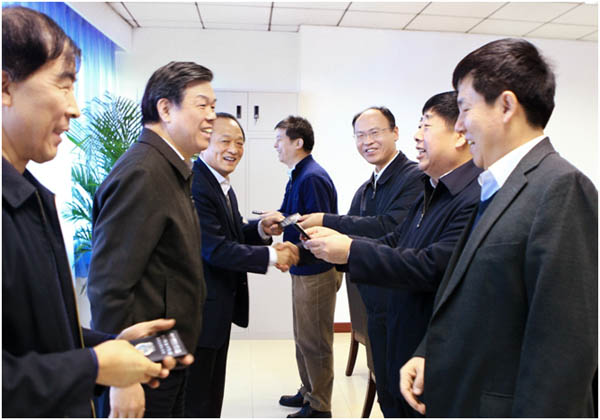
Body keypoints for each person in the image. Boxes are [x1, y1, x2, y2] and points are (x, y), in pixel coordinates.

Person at [2, 6, 192, 417]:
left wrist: (109, 344)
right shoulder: (141, 172)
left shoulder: (29, 196)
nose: (75, 108)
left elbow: (36, 335)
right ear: (5, 87)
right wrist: (93, 366)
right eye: (63, 85)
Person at [400, 38, 598, 417]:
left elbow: (564, 348)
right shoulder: (494, 185)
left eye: (464, 108)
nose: (460, 126)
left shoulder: (561, 188)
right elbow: (474, 296)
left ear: (506, 106)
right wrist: (428, 352)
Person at [303, 91, 481, 417]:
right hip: (393, 319)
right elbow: (396, 238)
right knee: (390, 399)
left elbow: (432, 265)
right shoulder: (431, 188)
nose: (417, 136)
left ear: (460, 134)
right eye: (360, 135)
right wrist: (341, 242)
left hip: (426, 337)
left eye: (426, 126)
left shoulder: (471, 195)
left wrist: (350, 249)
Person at [87, 61, 214, 417]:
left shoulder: (169, 168)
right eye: (202, 105)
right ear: (165, 109)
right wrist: (122, 376)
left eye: (213, 106)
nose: (211, 117)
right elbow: (109, 286)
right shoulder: (143, 172)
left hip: (166, 357)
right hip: (142, 365)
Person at [299, 106, 423, 417]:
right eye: (360, 135)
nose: (367, 141)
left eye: (374, 132)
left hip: (402, 304)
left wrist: (327, 221)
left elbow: (390, 229)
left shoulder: (414, 178)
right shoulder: (367, 187)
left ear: (395, 133)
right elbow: (350, 233)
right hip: (375, 305)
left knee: (404, 396)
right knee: (386, 391)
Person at [184, 113, 299, 417]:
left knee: (211, 394)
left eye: (239, 143)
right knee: (197, 400)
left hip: (218, 308)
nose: (234, 149)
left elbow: (232, 233)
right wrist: (273, 256)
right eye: (225, 141)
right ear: (205, 142)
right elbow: (215, 249)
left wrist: (260, 229)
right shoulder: (197, 185)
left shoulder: (221, 184)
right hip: (201, 311)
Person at [271, 116, 341, 418]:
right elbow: (296, 216)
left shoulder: (312, 177)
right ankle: (308, 390)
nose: (275, 145)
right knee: (303, 337)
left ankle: (320, 405)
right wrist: (278, 218)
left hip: (316, 270)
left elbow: (318, 227)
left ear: (298, 142)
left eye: (279, 139)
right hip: (302, 267)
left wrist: (293, 250)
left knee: (316, 341)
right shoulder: (298, 175)